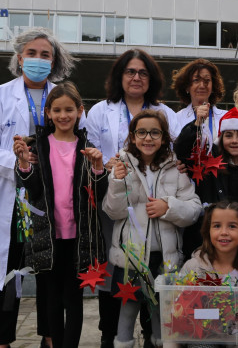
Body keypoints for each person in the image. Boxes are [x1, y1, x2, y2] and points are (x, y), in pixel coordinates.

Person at [0, 27, 76, 348]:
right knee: (7, 271)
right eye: (32, 53)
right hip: (9, 198)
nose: (38, 60)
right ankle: (0, 340)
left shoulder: (64, 96)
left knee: (49, 275)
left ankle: (50, 337)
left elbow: (78, 141)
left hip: (50, 201)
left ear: (54, 61)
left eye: (45, 55)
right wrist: (18, 162)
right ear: (20, 58)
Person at [84, 48, 179, 347]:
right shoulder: (100, 110)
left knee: (150, 270)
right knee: (115, 272)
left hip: (152, 207)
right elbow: (89, 153)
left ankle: (152, 336)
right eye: (130, 72)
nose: (136, 77)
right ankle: (109, 334)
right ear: (119, 76)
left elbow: (172, 156)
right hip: (114, 200)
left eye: (143, 73)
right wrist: (103, 164)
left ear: (151, 79)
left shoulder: (166, 113)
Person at [13, 82, 108, 348]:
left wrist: (99, 167)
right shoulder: (38, 146)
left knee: (73, 300)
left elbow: (99, 194)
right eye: (57, 110)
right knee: (52, 299)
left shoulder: (88, 147)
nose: (63, 115)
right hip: (48, 236)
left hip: (78, 238)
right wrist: (22, 163)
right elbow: (29, 188)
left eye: (69, 110)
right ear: (48, 113)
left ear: (80, 111)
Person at [102, 110, 202, 348]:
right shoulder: (121, 166)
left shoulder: (176, 169)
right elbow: (113, 212)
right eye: (142, 132)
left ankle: (159, 343)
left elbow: (194, 209)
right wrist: (116, 182)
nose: (148, 138)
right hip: (131, 260)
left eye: (155, 132)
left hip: (164, 259)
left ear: (165, 137)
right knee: (127, 311)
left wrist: (169, 206)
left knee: (161, 311)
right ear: (133, 136)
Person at [179, 201, 238, 348]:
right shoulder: (192, 268)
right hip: (200, 341)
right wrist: (213, 315)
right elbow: (178, 314)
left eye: (232, 226)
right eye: (217, 226)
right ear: (208, 231)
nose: (224, 232)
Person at [174, 107, 238, 259]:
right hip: (203, 244)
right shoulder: (206, 163)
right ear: (221, 138)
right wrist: (196, 125)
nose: (234, 141)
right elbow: (181, 149)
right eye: (229, 135)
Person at [172, 58, 227, 141]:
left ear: (213, 86)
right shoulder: (176, 119)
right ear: (187, 87)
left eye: (207, 80)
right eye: (196, 80)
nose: (202, 85)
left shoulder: (226, 117)